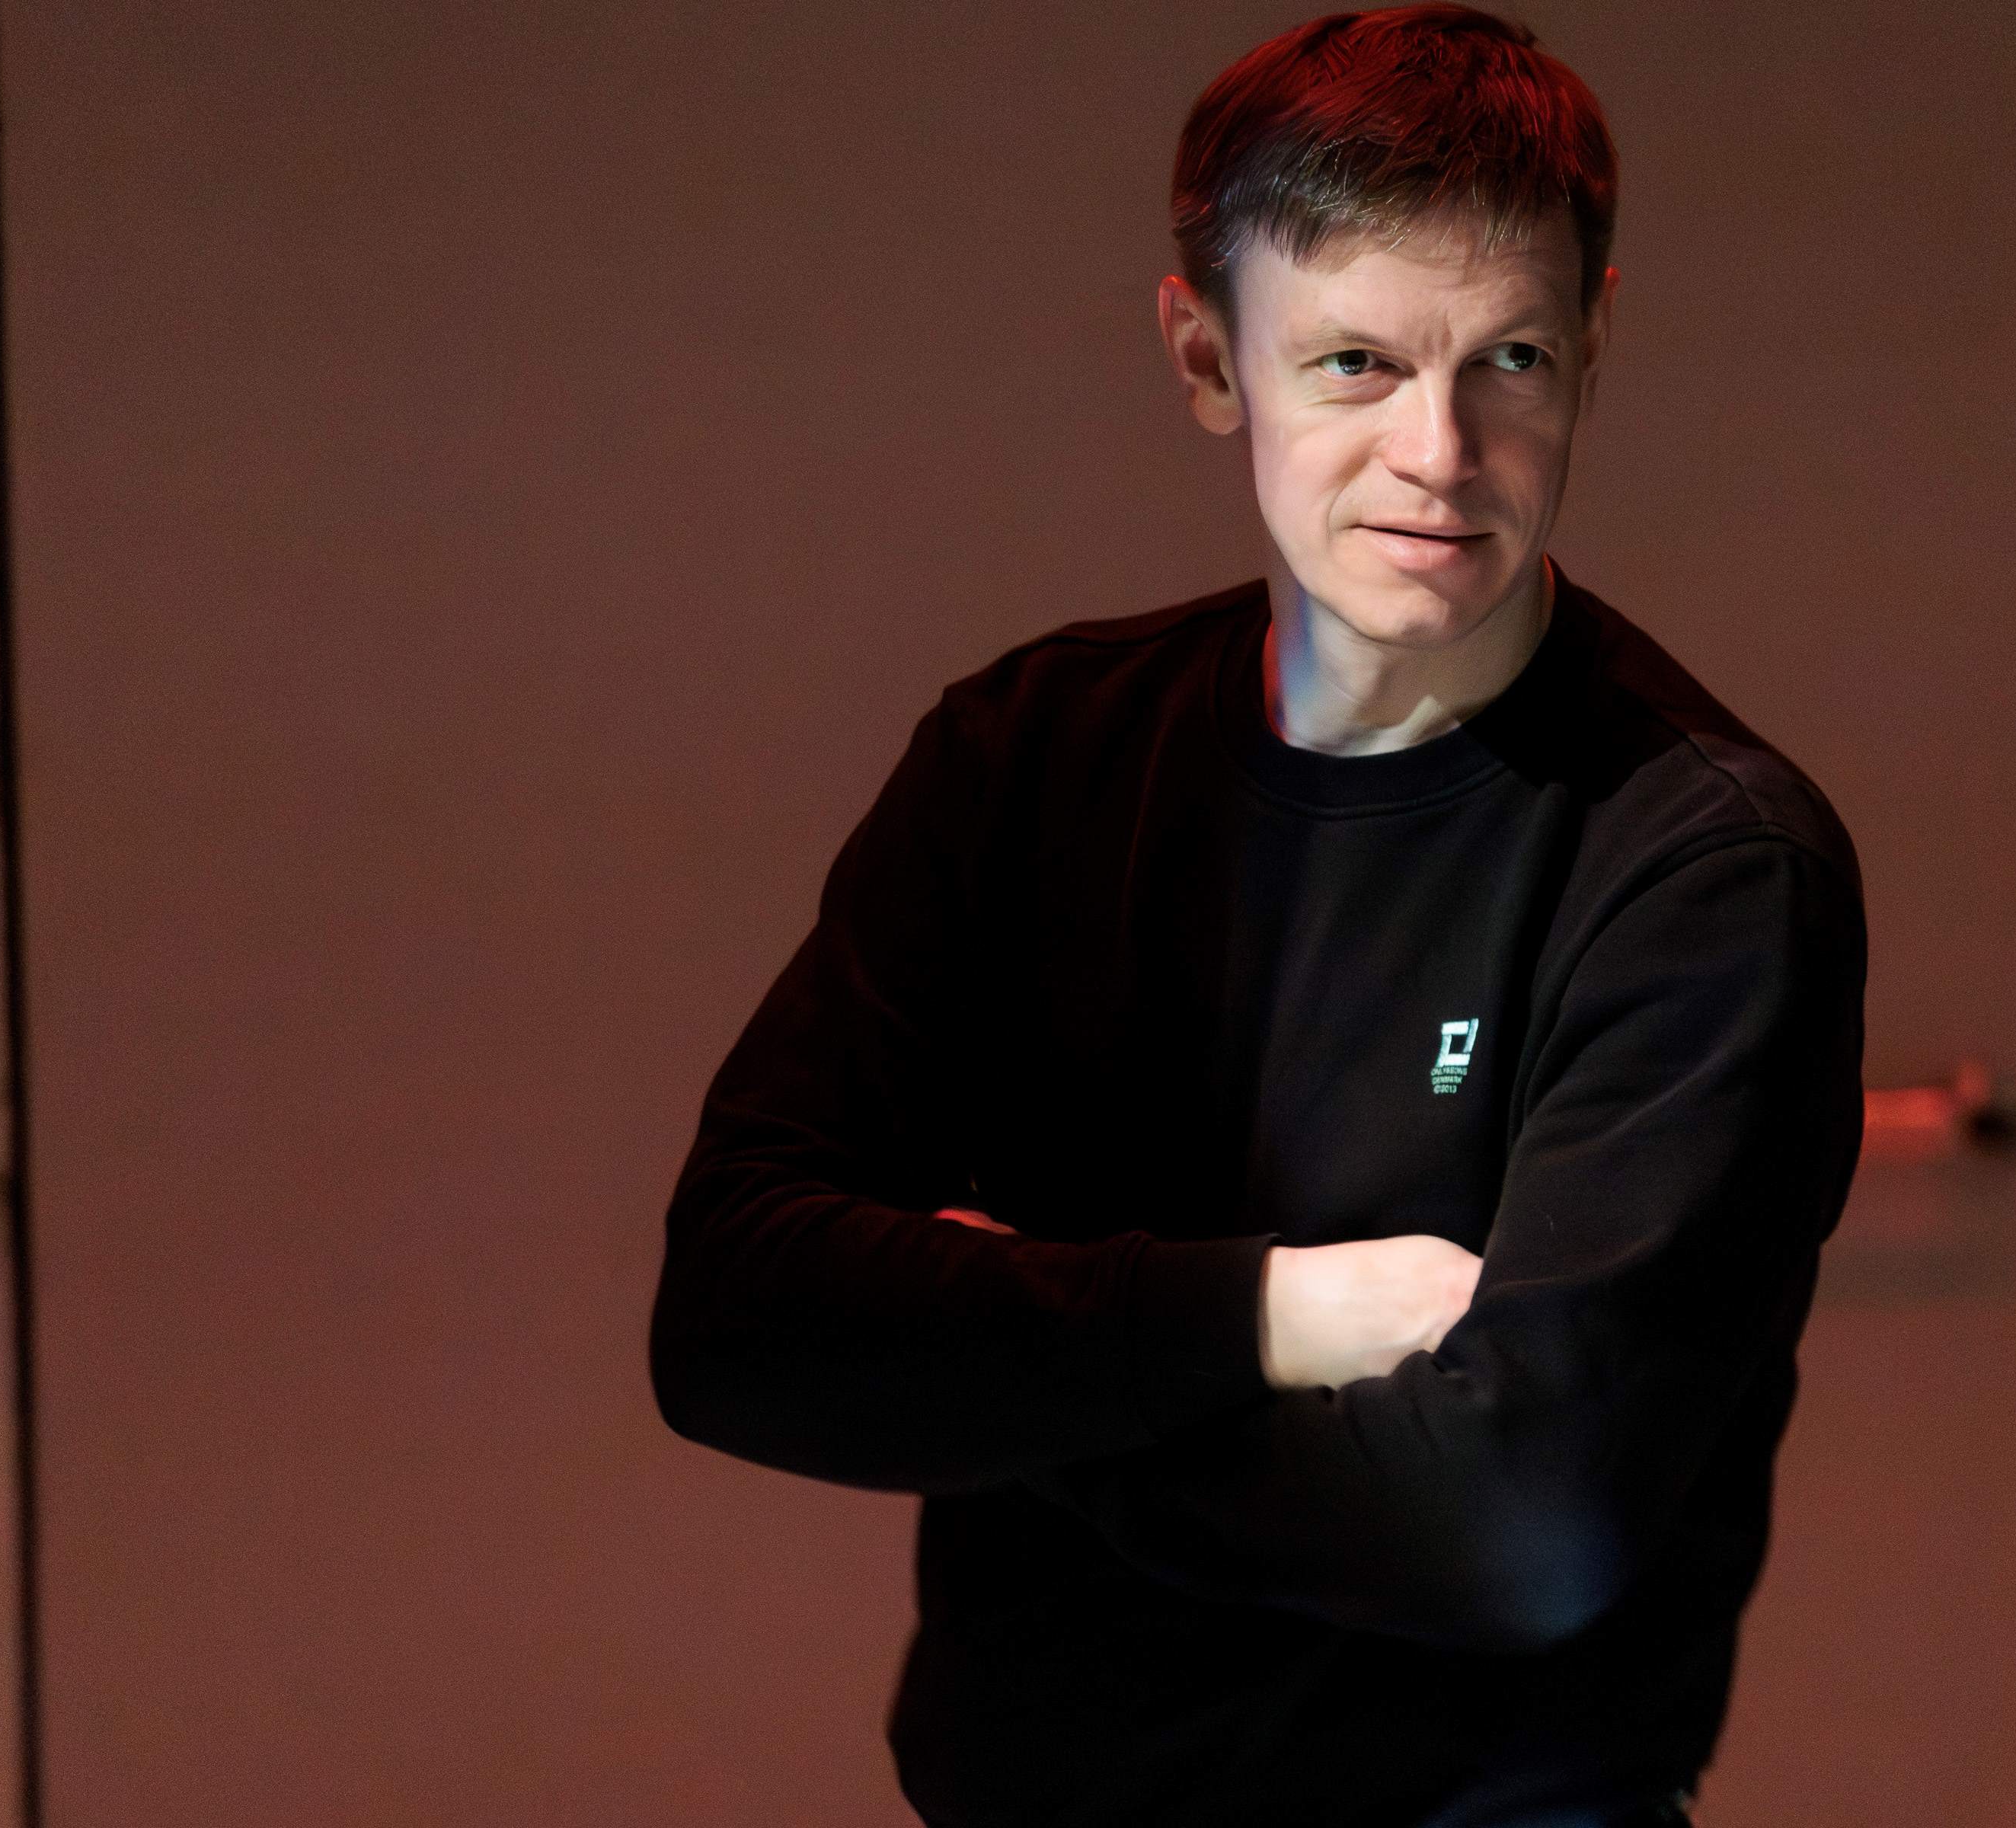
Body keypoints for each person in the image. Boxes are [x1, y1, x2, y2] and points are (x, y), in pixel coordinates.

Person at [648, 8, 1866, 1824]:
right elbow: (734, 1320)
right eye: (1358, 363)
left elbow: (1521, 1525)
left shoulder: (1701, 863)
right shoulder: (1029, 759)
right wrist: (1268, 1318)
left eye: (1512, 359)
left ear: (1596, 345)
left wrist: (1003, 1369)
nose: (1442, 452)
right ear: (1208, 357)